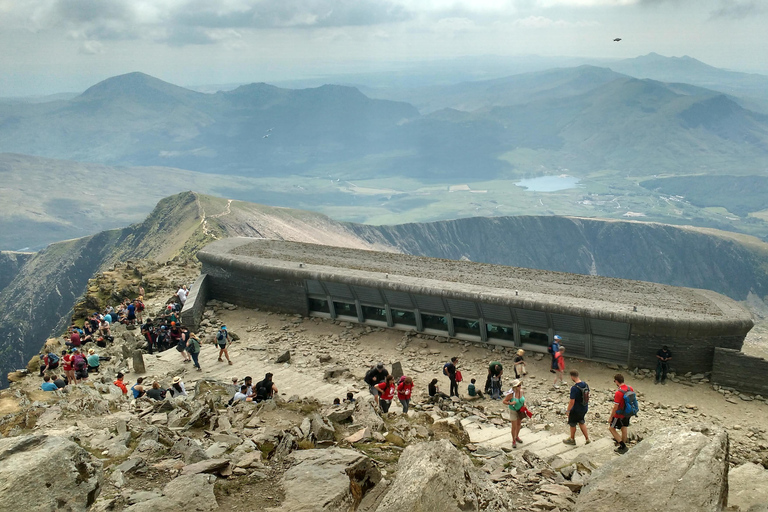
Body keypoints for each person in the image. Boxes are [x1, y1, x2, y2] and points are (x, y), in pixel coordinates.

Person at [563, 370, 591, 446]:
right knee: (581, 422)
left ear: (572, 376)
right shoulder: (585, 384)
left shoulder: (574, 388)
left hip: (576, 409)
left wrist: (568, 410)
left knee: (572, 423)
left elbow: (572, 401)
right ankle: (587, 439)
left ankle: (572, 439)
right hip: (584, 407)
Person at [609, 373, 632, 454]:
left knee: (611, 428)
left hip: (619, 414)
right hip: (628, 412)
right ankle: (623, 444)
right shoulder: (630, 388)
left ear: (616, 381)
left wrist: (611, 417)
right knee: (624, 427)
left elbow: (615, 406)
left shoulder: (619, 392)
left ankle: (622, 446)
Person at [502, 379, 525, 449]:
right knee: (514, 426)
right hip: (513, 411)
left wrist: (525, 404)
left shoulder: (521, 392)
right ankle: (513, 440)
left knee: (519, 424)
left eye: (520, 385)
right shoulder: (511, 394)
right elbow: (504, 401)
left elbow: (523, 400)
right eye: (518, 386)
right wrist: (511, 403)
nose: (520, 387)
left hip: (520, 410)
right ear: (515, 387)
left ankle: (517, 436)